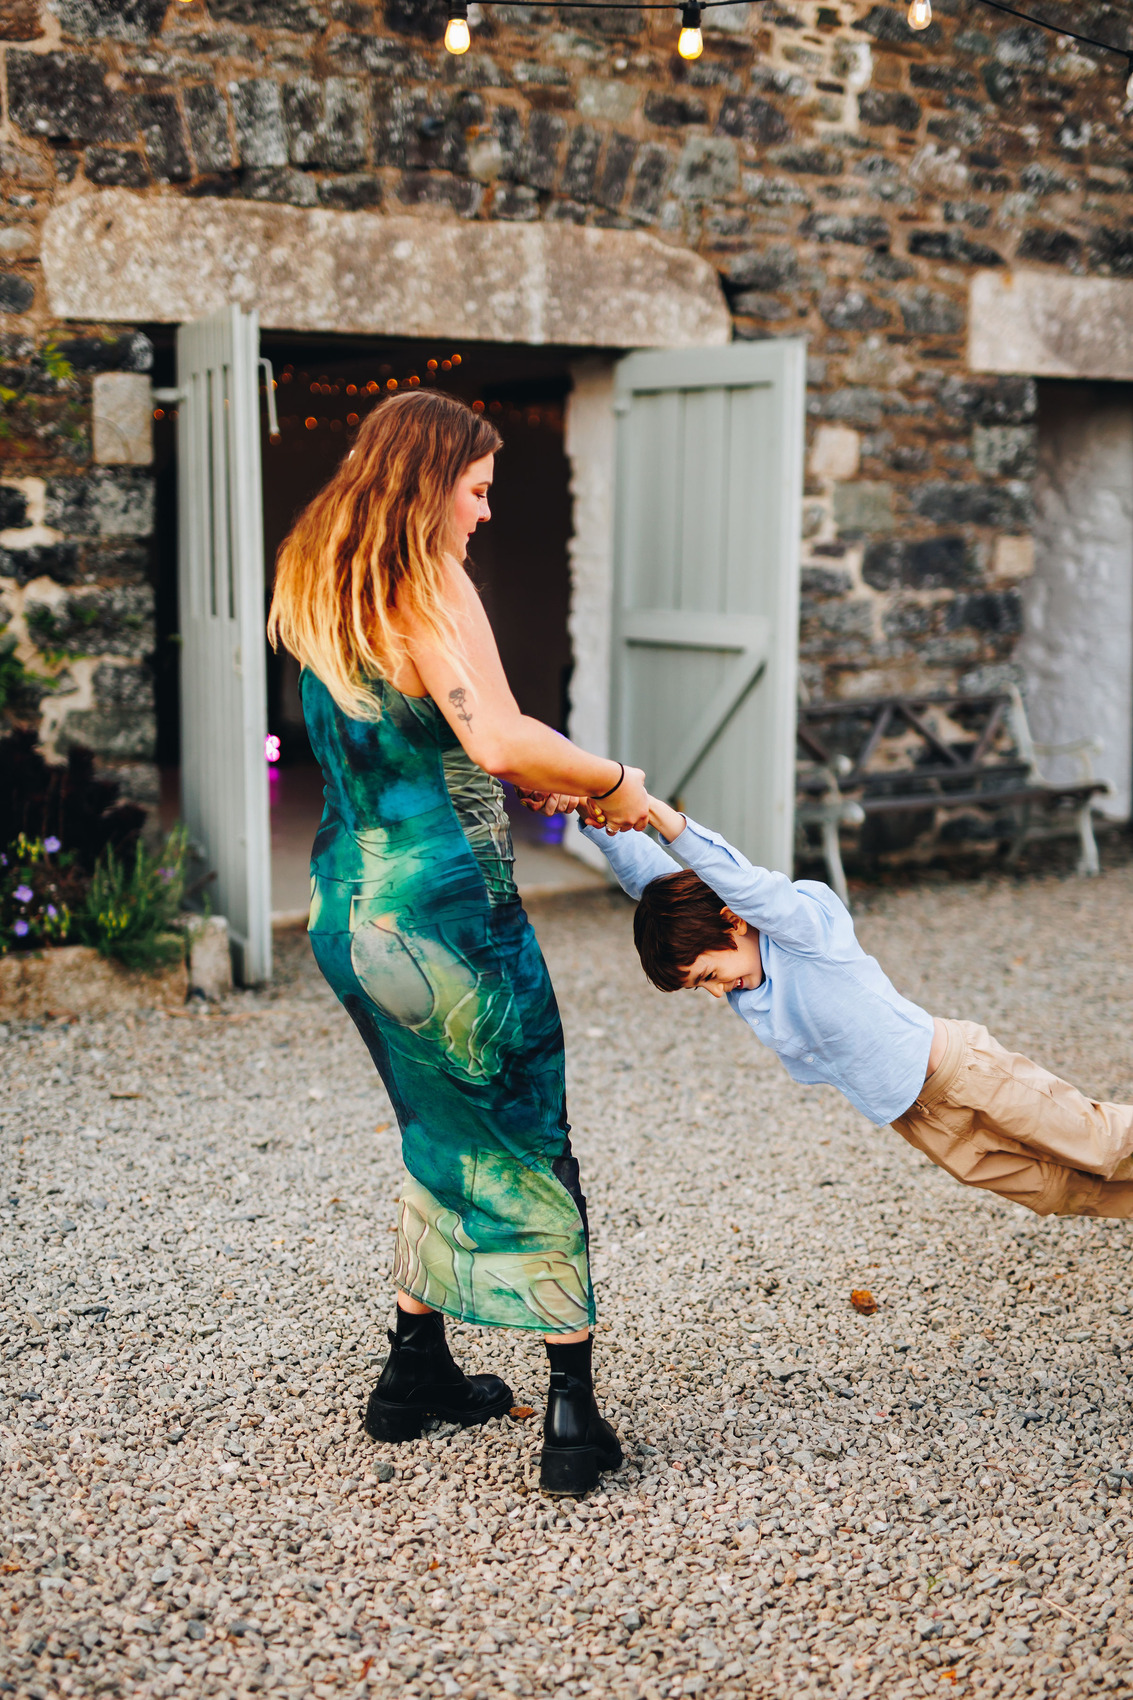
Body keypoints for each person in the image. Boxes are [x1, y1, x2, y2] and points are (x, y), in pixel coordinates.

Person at [267, 390, 648, 1497]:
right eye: (476, 489)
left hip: (348, 913)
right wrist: (624, 788)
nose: (483, 513)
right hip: (450, 919)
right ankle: (571, 1413)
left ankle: (411, 1371)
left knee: (433, 1125)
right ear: (429, 480)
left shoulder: (320, 581)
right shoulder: (429, 579)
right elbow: (497, 736)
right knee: (531, 1128)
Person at [581, 795, 1133, 1221]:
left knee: (1099, 1143)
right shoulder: (748, 979)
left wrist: (648, 809)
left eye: (708, 976)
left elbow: (729, 876)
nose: (717, 992)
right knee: (1057, 1190)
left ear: (733, 919)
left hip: (966, 1074)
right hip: (919, 1117)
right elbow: (655, 884)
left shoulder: (798, 932)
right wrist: (594, 817)